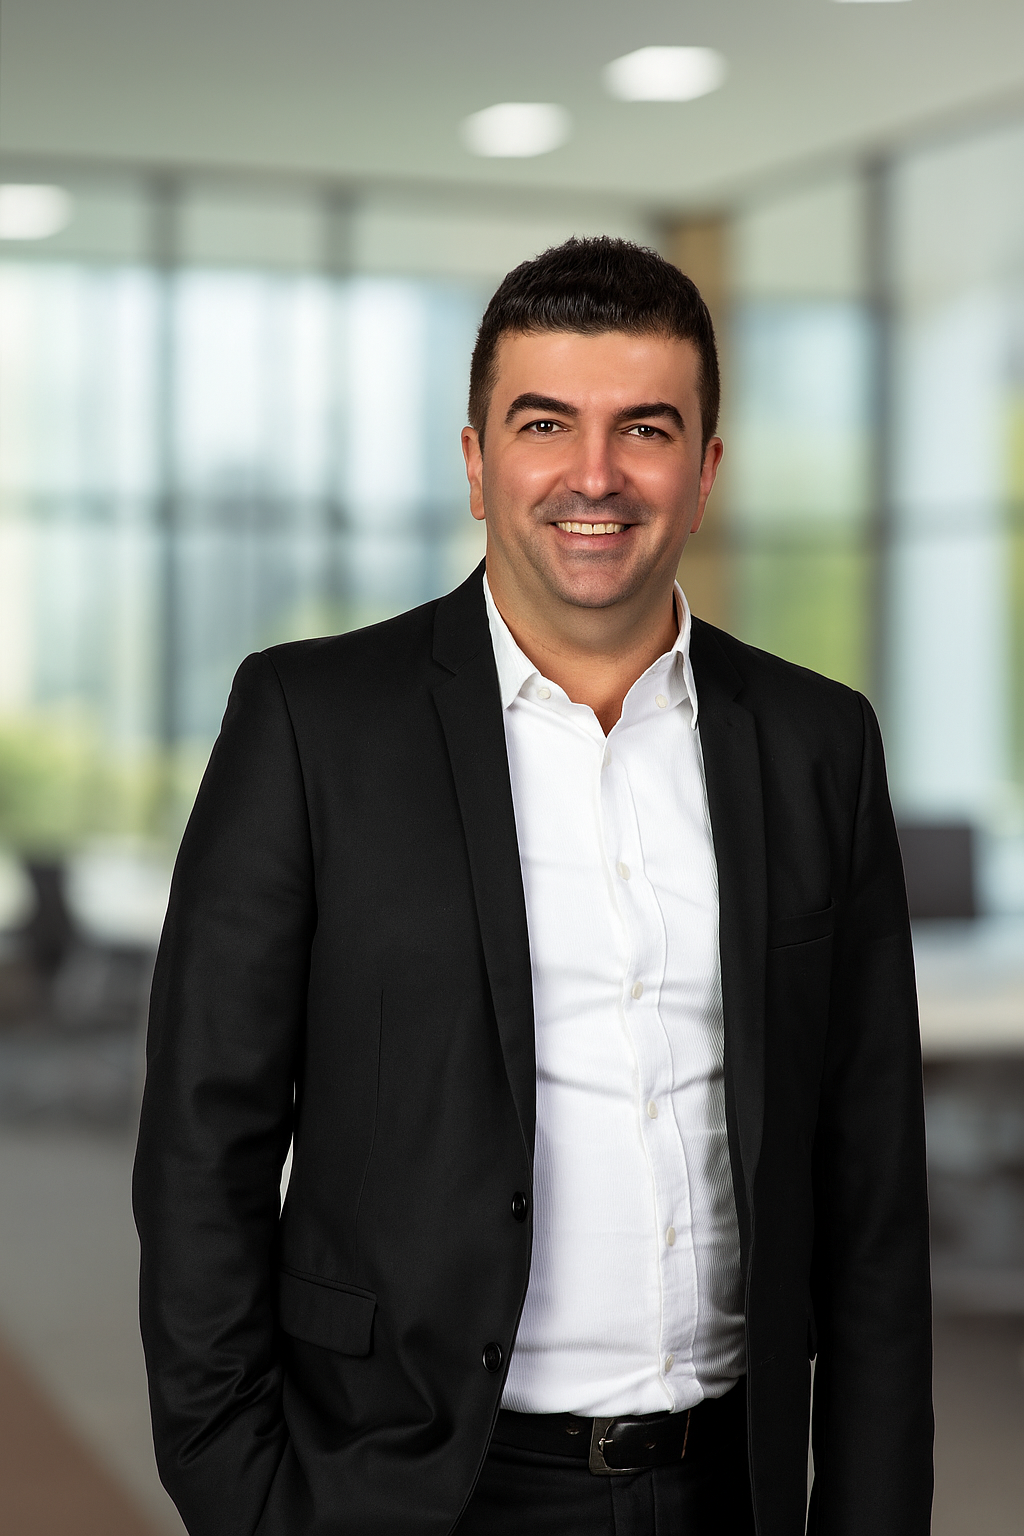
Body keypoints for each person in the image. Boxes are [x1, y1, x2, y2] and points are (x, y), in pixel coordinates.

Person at [133, 237, 933, 1536]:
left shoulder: (816, 743)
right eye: (545, 422)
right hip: (407, 1487)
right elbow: (200, 1144)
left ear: (706, 472)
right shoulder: (310, 721)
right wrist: (244, 1499)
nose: (596, 475)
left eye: (647, 429)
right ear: (475, 461)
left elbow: (873, 1188)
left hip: (726, 1487)